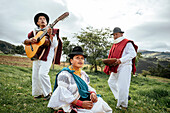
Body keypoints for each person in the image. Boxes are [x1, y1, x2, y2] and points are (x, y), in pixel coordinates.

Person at [48, 46, 112, 113]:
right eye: (77, 58)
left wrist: (93, 93)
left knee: (100, 102)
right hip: (69, 101)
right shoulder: (64, 74)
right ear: (71, 60)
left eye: (82, 58)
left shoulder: (83, 74)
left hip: (81, 98)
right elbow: (62, 92)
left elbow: (87, 86)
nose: (80, 60)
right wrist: (80, 103)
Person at [23, 12, 62, 100]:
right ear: (37, 23)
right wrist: (30, 41)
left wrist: (51, 35)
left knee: (42, 74)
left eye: (44, 19)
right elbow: (25, 41)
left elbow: (55, 44)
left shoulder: (52, 30)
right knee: (35, 75)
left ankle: (48, 94)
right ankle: (38, 93)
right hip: (36, 55)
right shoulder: (34, 32)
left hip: (47, 55)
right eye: (40, 19)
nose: (42, 20)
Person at [104, 27, 138, 110]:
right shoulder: (115, 44)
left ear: (121, 34)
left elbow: (133, 54)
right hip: (116, 66)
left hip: (125, 66)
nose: (115, 36)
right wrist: (108, 68)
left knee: (123, 86)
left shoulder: (127, 43)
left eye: (117, 34)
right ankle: (123, 96)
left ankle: (123, 105)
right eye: (114, 35)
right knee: (111, 82)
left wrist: (121, 60)